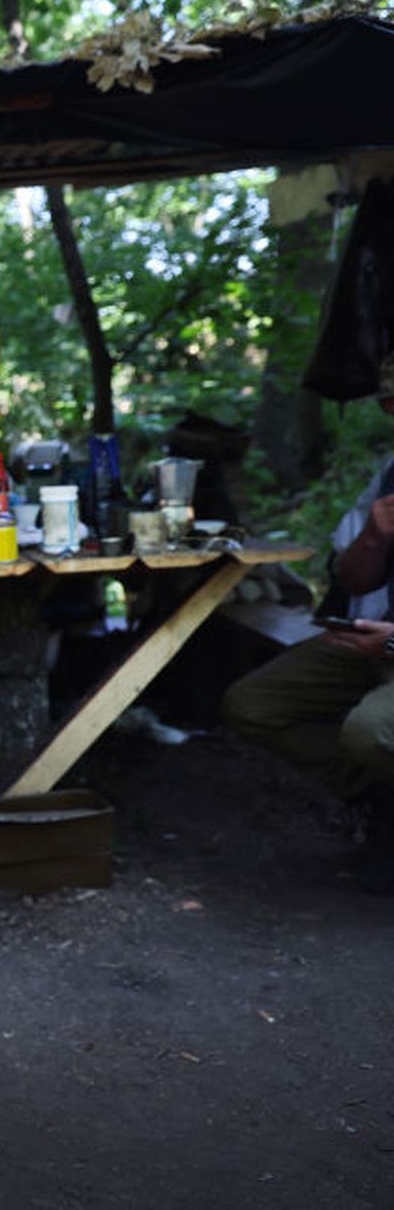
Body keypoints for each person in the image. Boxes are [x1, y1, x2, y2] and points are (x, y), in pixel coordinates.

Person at [222, 373, 394, 893]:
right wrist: (375, 535)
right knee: (252, 704)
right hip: (371, 642)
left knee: (371, 731)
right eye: (389, 402)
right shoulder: (390, 472)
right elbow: (353, 576)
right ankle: (380, 800)